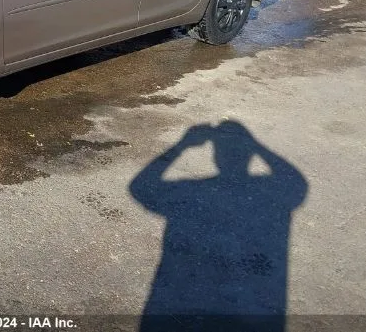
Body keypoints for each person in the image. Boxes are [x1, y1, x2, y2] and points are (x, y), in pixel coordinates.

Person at [130, 121, 308, 332]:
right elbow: (296, 184)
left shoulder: (193, 190)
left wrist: (183, 145)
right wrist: (255, 145)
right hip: (252, 309)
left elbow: (140, 187)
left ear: (215, 157)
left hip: (180, 299)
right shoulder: (267, 190)